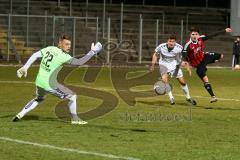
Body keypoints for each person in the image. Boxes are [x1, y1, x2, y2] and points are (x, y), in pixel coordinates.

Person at [13, 35, 102, 125]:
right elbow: (80, 62)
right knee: (72, 97)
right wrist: (92, 52)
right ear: (60, 44)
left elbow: (35, 55)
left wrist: (25, 67)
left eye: (70, 44)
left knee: (39, 99)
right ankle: (75, 119)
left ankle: (20, 114)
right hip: (50, 84)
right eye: (66, 44)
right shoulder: (64, 56)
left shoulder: (50, 48)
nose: (69, 46)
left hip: (39, 82)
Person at [182, 27, 232, 103]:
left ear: (199, 35)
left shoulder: (201, 39)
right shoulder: (188, 45)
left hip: (204, 57)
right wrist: (187, 64)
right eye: (193, 34)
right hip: (198, 64)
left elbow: (213, 35)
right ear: (190, 35)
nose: (194, 36)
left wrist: (224, 30)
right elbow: (184, 55)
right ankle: (213, 97)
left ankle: (209, 62)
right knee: (204, 77)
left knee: (220, 56)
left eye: (196, 34)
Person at [150, 35, 196, 105]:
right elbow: (155, 55)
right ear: (167, 41)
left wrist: (187, 66)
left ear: (175, 42)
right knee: (165, 80)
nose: (171, 43)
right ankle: (171, 98)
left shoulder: (179, 47)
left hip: (174, 65)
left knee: (182, 82)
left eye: (173, 41)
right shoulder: (161, 47)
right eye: (170, 41)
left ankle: (188, 97)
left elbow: (183, 57)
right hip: (163, 64)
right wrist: (153, 65)